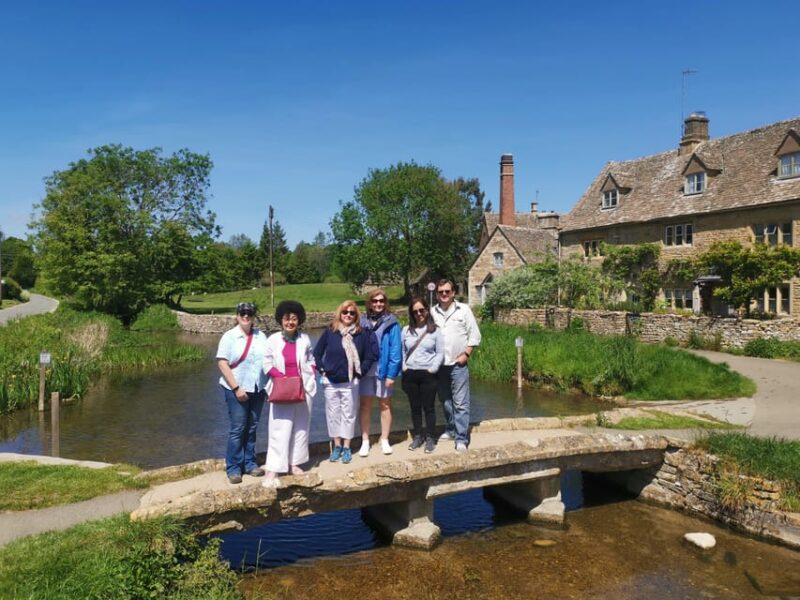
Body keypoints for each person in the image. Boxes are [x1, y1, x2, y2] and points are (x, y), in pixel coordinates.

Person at [314, 300, 378, 464]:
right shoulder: (331, 331)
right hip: (331, 382)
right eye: (345, 312)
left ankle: (347, 447)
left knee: (349, 415)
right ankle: (337, 446)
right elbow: (317, 353)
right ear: (340, 314)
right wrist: (322, 370)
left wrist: (360, 372)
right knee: (333, 414)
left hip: (351, 381)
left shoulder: (361, 333)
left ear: (356, 315)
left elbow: (370, 356)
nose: (348, 315)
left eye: (352, 313)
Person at [262, 300, 316, 487]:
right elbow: (267, 364)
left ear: (299, 320)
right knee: (279, 429)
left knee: (301, 427)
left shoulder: (305, 339)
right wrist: (282, 377)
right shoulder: (273, 340)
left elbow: (311, 359)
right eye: (287, 318)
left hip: (303, 388)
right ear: (281, 320)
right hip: (282, 389)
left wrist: (312, 374)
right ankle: (274, 468)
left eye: (294, 319)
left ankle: (295, 463)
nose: (290, 322)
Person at [216, 302, 270, 484]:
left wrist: (269, 386)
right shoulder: (229, 337)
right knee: (238, 428)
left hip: (257, 387)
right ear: (237, 315)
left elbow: (267, 362)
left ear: (254, 316)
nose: (246, 316)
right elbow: (222, 363)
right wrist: (236, 388)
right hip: (236, 387)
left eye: (249, 313)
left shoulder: (261, 336)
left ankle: (249, 463)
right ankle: (233, 467)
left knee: (252, 427)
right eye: (242, 313)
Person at [432, 279, 481, 453]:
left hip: (458, 365)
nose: (444, 294)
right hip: (439, 366)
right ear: (437, 294)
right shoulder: (433, 312)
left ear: (453, 293)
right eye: (441, 292)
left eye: (447, 291)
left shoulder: (464, 310)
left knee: (460, 403)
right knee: (445, 401)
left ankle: (461, 438)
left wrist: (466, 354)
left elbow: (474, 334)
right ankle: (451, 429)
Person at [358, 289, 402, 457]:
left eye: (381, 301)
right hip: (365, 370)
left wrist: (391, 374)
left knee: (385, 404)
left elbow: (395, 350)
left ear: (385, 303)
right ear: (369, 303)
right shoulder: (362, 322)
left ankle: (384, 439)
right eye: (375, 301)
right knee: (365, 405)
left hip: (383, 370)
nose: (378, 304)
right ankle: (365, 440)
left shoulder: (392, 323)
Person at [401, 296, 444, 454]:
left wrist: (432, 369)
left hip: (428, 374)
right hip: (410, 374)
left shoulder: (435, 330)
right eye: (415, 311)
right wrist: (404, 367)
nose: (419, 313)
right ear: (411, 313)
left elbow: (440, 353)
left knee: (429, 408)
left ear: (427, 310)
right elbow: (402, 351)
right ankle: (418, 436)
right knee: (415, 408)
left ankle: (431, 438)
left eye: (422, 310)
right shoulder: (405, 330)